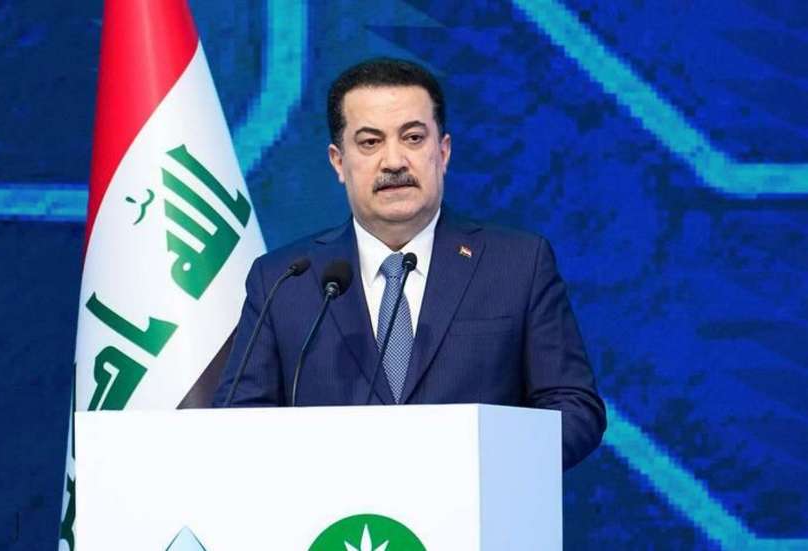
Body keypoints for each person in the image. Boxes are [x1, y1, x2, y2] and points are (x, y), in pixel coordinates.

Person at [212, 57, 606, 469]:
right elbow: (236, 421)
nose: (394, 161)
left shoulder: (518, 265)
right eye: (370, 143)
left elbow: (574, 408)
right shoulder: (284, 280)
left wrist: (482, 465)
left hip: (477, 503)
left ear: (443, 152)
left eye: (413, 138)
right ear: (338, 162)